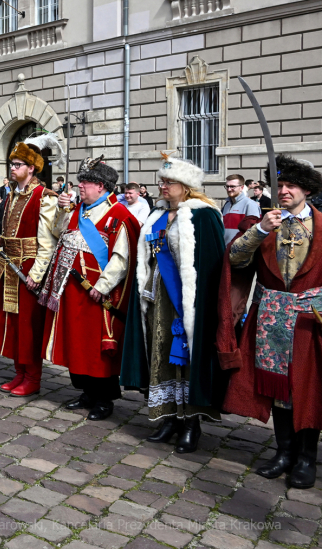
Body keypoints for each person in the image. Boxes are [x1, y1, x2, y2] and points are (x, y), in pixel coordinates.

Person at [218, 154, 322, 489]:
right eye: (281, 185)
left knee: (307, 389)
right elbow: (235, 258)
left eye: (291, 185)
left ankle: (307, 459)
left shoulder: (321, 225)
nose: (285, 191)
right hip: (271, 319)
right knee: (278, 389)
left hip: (310, 320)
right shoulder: (262, 224)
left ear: (306, 189)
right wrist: (261, 229)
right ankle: (284, 452)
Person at [120, 155, 226, 454]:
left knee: (188, 360)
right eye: (162, 182)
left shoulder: (203, 216)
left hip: (188, 303)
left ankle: (191, 423)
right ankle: (167, 418)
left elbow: (212, 266)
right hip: (157, 302)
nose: (162, 186)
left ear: (186, 186)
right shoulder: (156, 214)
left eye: (169, 182)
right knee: (161, 357)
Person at [39, 156, 139, 420]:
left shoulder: (119, 215)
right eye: (81, 181)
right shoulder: (77, 209)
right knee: (76, 343)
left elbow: (121, 258)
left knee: (96, 348)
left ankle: (104, 399)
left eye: (86, 182)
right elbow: (58, 231)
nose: (80, 186)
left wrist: (103, 286)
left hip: (96, 293)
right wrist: (61, 210)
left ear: (102, 187)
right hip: (70, 290)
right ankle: (87, 393)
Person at [0, 141, 58, 395]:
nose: (12, 169)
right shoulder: (12, 193)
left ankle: (33, 379)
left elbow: (47, 243)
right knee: (13, 324)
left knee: (29, 326)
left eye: (17, 165)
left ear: (31, 168)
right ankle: (19, 373)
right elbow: (13, 230)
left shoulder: (45, 197)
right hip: (8, 267)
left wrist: (36, 276)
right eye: (11, 164)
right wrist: (1, 240)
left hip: (28, 269)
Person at [221, 173, 261, 244]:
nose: (229, 189)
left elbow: (254, 232)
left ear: (241, 188)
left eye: (232, 186)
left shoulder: (250, 204)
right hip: (225, 249)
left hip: (241, 251)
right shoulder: (227, 204)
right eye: (227, 186)